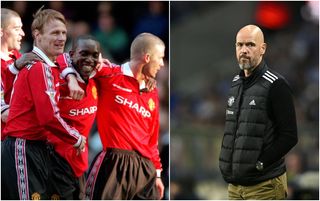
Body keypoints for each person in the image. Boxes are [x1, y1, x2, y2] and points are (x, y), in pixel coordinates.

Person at [1, 8, 86, 200]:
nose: (61, 38)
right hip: (23, 146)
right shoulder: (39, 67)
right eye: (55, 32)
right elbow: (49, 116)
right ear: (37, 35)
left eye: (64, 33)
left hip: (35, 148)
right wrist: (76, 137)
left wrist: (70, 76)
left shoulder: (37, 64)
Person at [219, 24, 298, 200]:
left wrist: (260, 164)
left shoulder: (276, 85)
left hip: (264, 185)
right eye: (240, 45)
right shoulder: (235, 83)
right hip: (235, 187)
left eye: (250, 45)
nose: (244, 50)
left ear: (263, 49)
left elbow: (290, 135)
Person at [85, 33, 165, 200]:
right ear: (147, 57)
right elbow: (74, 60)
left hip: (145, 170)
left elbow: (152, 137)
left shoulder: (152, 91)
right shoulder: (108, 74)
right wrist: (74, 75)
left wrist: (157, 174)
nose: (162, 64)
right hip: (114, 163)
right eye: (160, 58)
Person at [0, 8, 40, 139]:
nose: (22, 33)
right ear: (1, 31)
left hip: (20, 140)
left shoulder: (19, 58)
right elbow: (6, 114)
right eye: (16, 29)